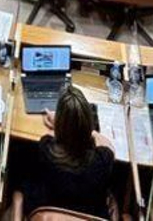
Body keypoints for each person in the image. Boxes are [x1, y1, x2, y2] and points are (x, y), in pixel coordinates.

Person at [17, 86, 117, 218]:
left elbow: (53, 135)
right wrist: (87, 128)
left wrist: (62, 124)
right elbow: (109, 146)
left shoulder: (46, 149)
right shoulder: (102, 161)